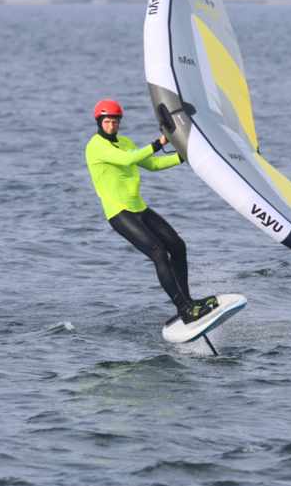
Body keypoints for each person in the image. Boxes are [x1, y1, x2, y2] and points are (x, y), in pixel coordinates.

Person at [85, 99, 217, 323]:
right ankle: (184, 309)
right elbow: (128, 159)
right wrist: (158, 143)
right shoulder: (96, 146)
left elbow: (152, 165)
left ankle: (188, 302)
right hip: (119, 213)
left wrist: (183, 156)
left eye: (115, 122)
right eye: (107, 121)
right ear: (99, 122)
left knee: (177, 245)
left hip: (140, 208)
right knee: (158, 252)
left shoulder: (124, 141)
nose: (111, 126)